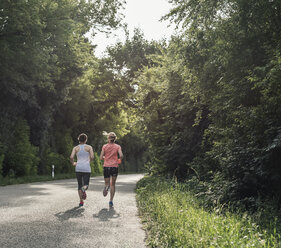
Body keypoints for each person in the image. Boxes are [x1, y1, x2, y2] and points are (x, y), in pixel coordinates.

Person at [100, 132, 123, 208]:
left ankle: (106, 187)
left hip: (106, 166)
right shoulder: (117, 146)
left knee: (107, 183)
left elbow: (101, 157)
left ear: (108, 138)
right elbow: (121, 155)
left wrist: (105, 158)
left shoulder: (104, 146)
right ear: (115, 139)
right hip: (114, 167)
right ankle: (111, 201)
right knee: (113, 184)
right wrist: (119, 159)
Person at [70, 133, 94, 207]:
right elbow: (92, 157)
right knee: (86, 184)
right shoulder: (89, 147)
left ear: (78, 139)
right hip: (86, 168)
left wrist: (73, 163)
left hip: (78, 167)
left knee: (79, 185)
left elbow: (71, 157)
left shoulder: (75, 148)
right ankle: (84, 189)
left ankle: (81, 201)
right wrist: (89, 161)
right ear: (86, 140)